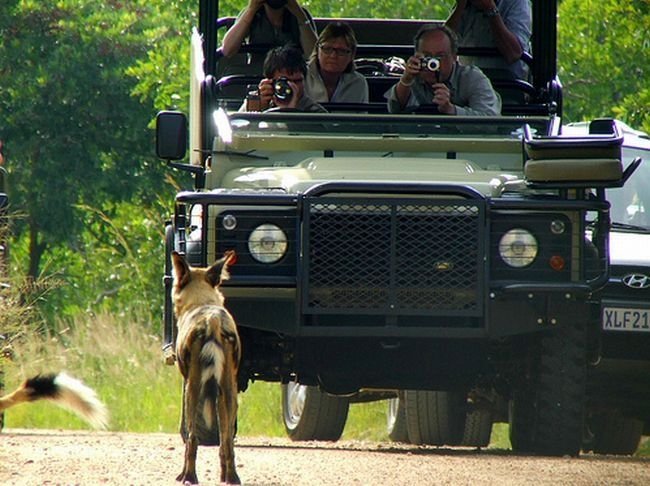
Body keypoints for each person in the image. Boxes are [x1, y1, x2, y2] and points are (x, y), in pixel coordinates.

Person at [386, 24, 501, 116]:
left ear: (454, 57)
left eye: (440, 56)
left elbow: (490, 120)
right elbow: (393, 111)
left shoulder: (472, 78)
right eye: (427, 56)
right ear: (416, 54)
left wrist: (451, 109)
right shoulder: (414, 75)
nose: (434, 63)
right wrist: (405, 81)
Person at [221, 0, 318, 73]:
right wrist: (252, 9)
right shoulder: (252, 14)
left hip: (293, 81)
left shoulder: (300, 15)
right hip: (258, 81)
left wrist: (298, 14)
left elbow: (315, 56)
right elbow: (227, 50)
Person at [445, 0, 531, 80]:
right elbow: (444, 42)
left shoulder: (517, 3)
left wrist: (490, 9)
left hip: (506, 84)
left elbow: (513, 53)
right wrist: (460, 8)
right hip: (468, 83)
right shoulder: (467, 5)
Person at [247, 45, 327, 112]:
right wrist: (255, 112)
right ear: (270, 81)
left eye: (297, 81)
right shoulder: (257, 100)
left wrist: (289, 111)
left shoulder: (316, 113)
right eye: (284, 81)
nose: (292, 87)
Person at [304, 22, 369, 104]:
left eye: (341, 51)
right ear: (317, 50)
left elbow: (362, 116)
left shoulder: (358, 83)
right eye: (327, 49)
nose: (333, 55)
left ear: (351, 55)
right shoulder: (302, 78)